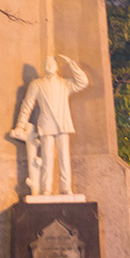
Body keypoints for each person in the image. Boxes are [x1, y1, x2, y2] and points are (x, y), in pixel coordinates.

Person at [10, 53, 88, 195]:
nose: (49, 65)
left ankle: (66, 188)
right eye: (46, 63)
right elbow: (27, 105)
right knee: (47, 158)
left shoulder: (65, 83)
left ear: (56, 66)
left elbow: (82, 82)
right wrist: (20, 125)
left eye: (52, 63)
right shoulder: (37, 84)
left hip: (62, 124)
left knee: (64, 157)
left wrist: (71, 64)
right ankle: (46, 188)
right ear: (43, 66)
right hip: (46, 124)